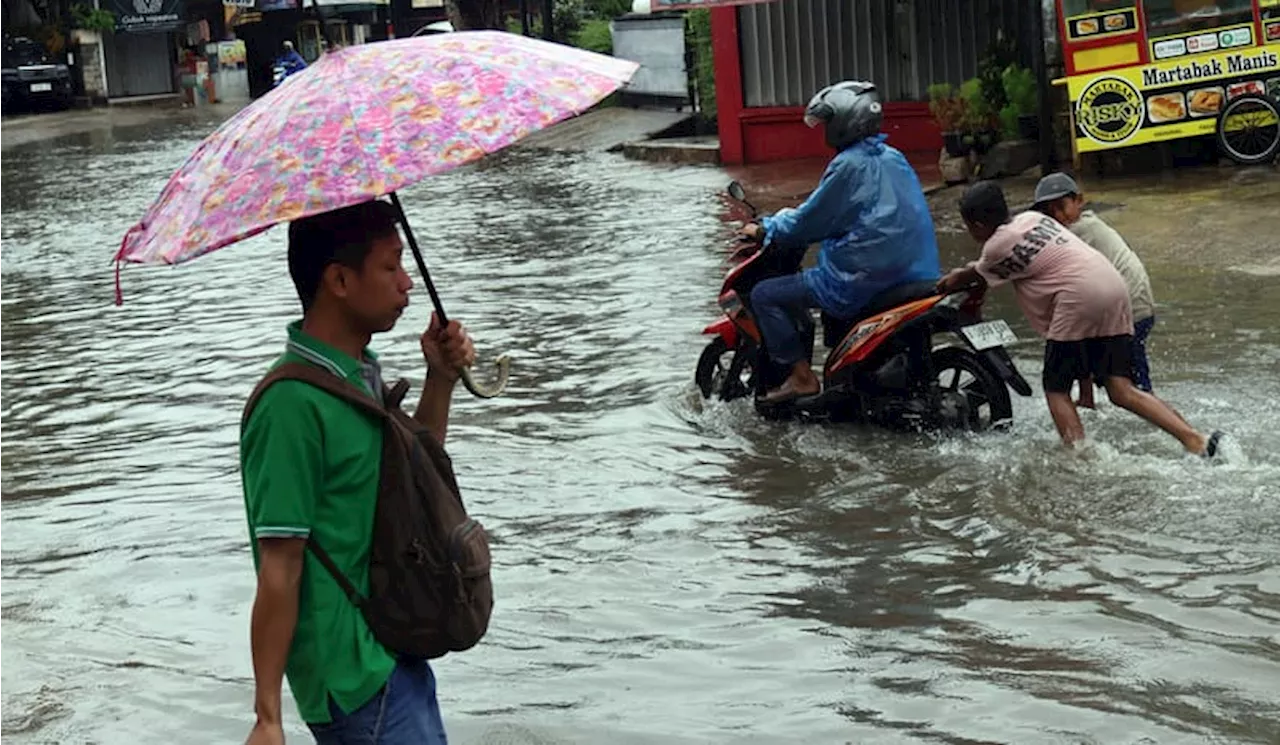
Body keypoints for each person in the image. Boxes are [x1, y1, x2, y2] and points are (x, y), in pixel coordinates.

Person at [241, 199, 475, 745]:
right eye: (391, 266)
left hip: (393, 646)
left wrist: (438, 378)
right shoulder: (291, 406)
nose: (408, 284)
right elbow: (280, 565)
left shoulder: (355, 375)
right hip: (353, 679)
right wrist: (268, 717)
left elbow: (411, 482)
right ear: (340, 280)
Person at [936, 181, 1222, 458]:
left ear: (975, 225)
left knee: (1055, 387)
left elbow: (975, 276)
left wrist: (954, 279)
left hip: (1079, 296)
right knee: (1121, 389)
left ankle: (1081, 459)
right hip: (1113, 286)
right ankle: (1195, 440)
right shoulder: (1033, 218)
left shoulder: (995, 247)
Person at [738, 80, 942, 404]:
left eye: (828, 123)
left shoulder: (848, 165)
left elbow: (811, 220)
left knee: (764, 295)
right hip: (912, 272)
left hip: (859, 279)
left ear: (845, 122)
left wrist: (768, 228)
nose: (825, 131)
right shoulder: (893, 157)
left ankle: (803, 378)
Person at [1032, 172, 1157, 408]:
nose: (1057, 216)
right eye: (1050, 212)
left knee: (1126, 383)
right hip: (1124, 304)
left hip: (1131, 307)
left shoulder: (1079, 229)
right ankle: (1088, 398)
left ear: (1079, 200)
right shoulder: (1079, 225)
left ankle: (1158, 418)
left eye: (1061, 207)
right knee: (1084, 340)